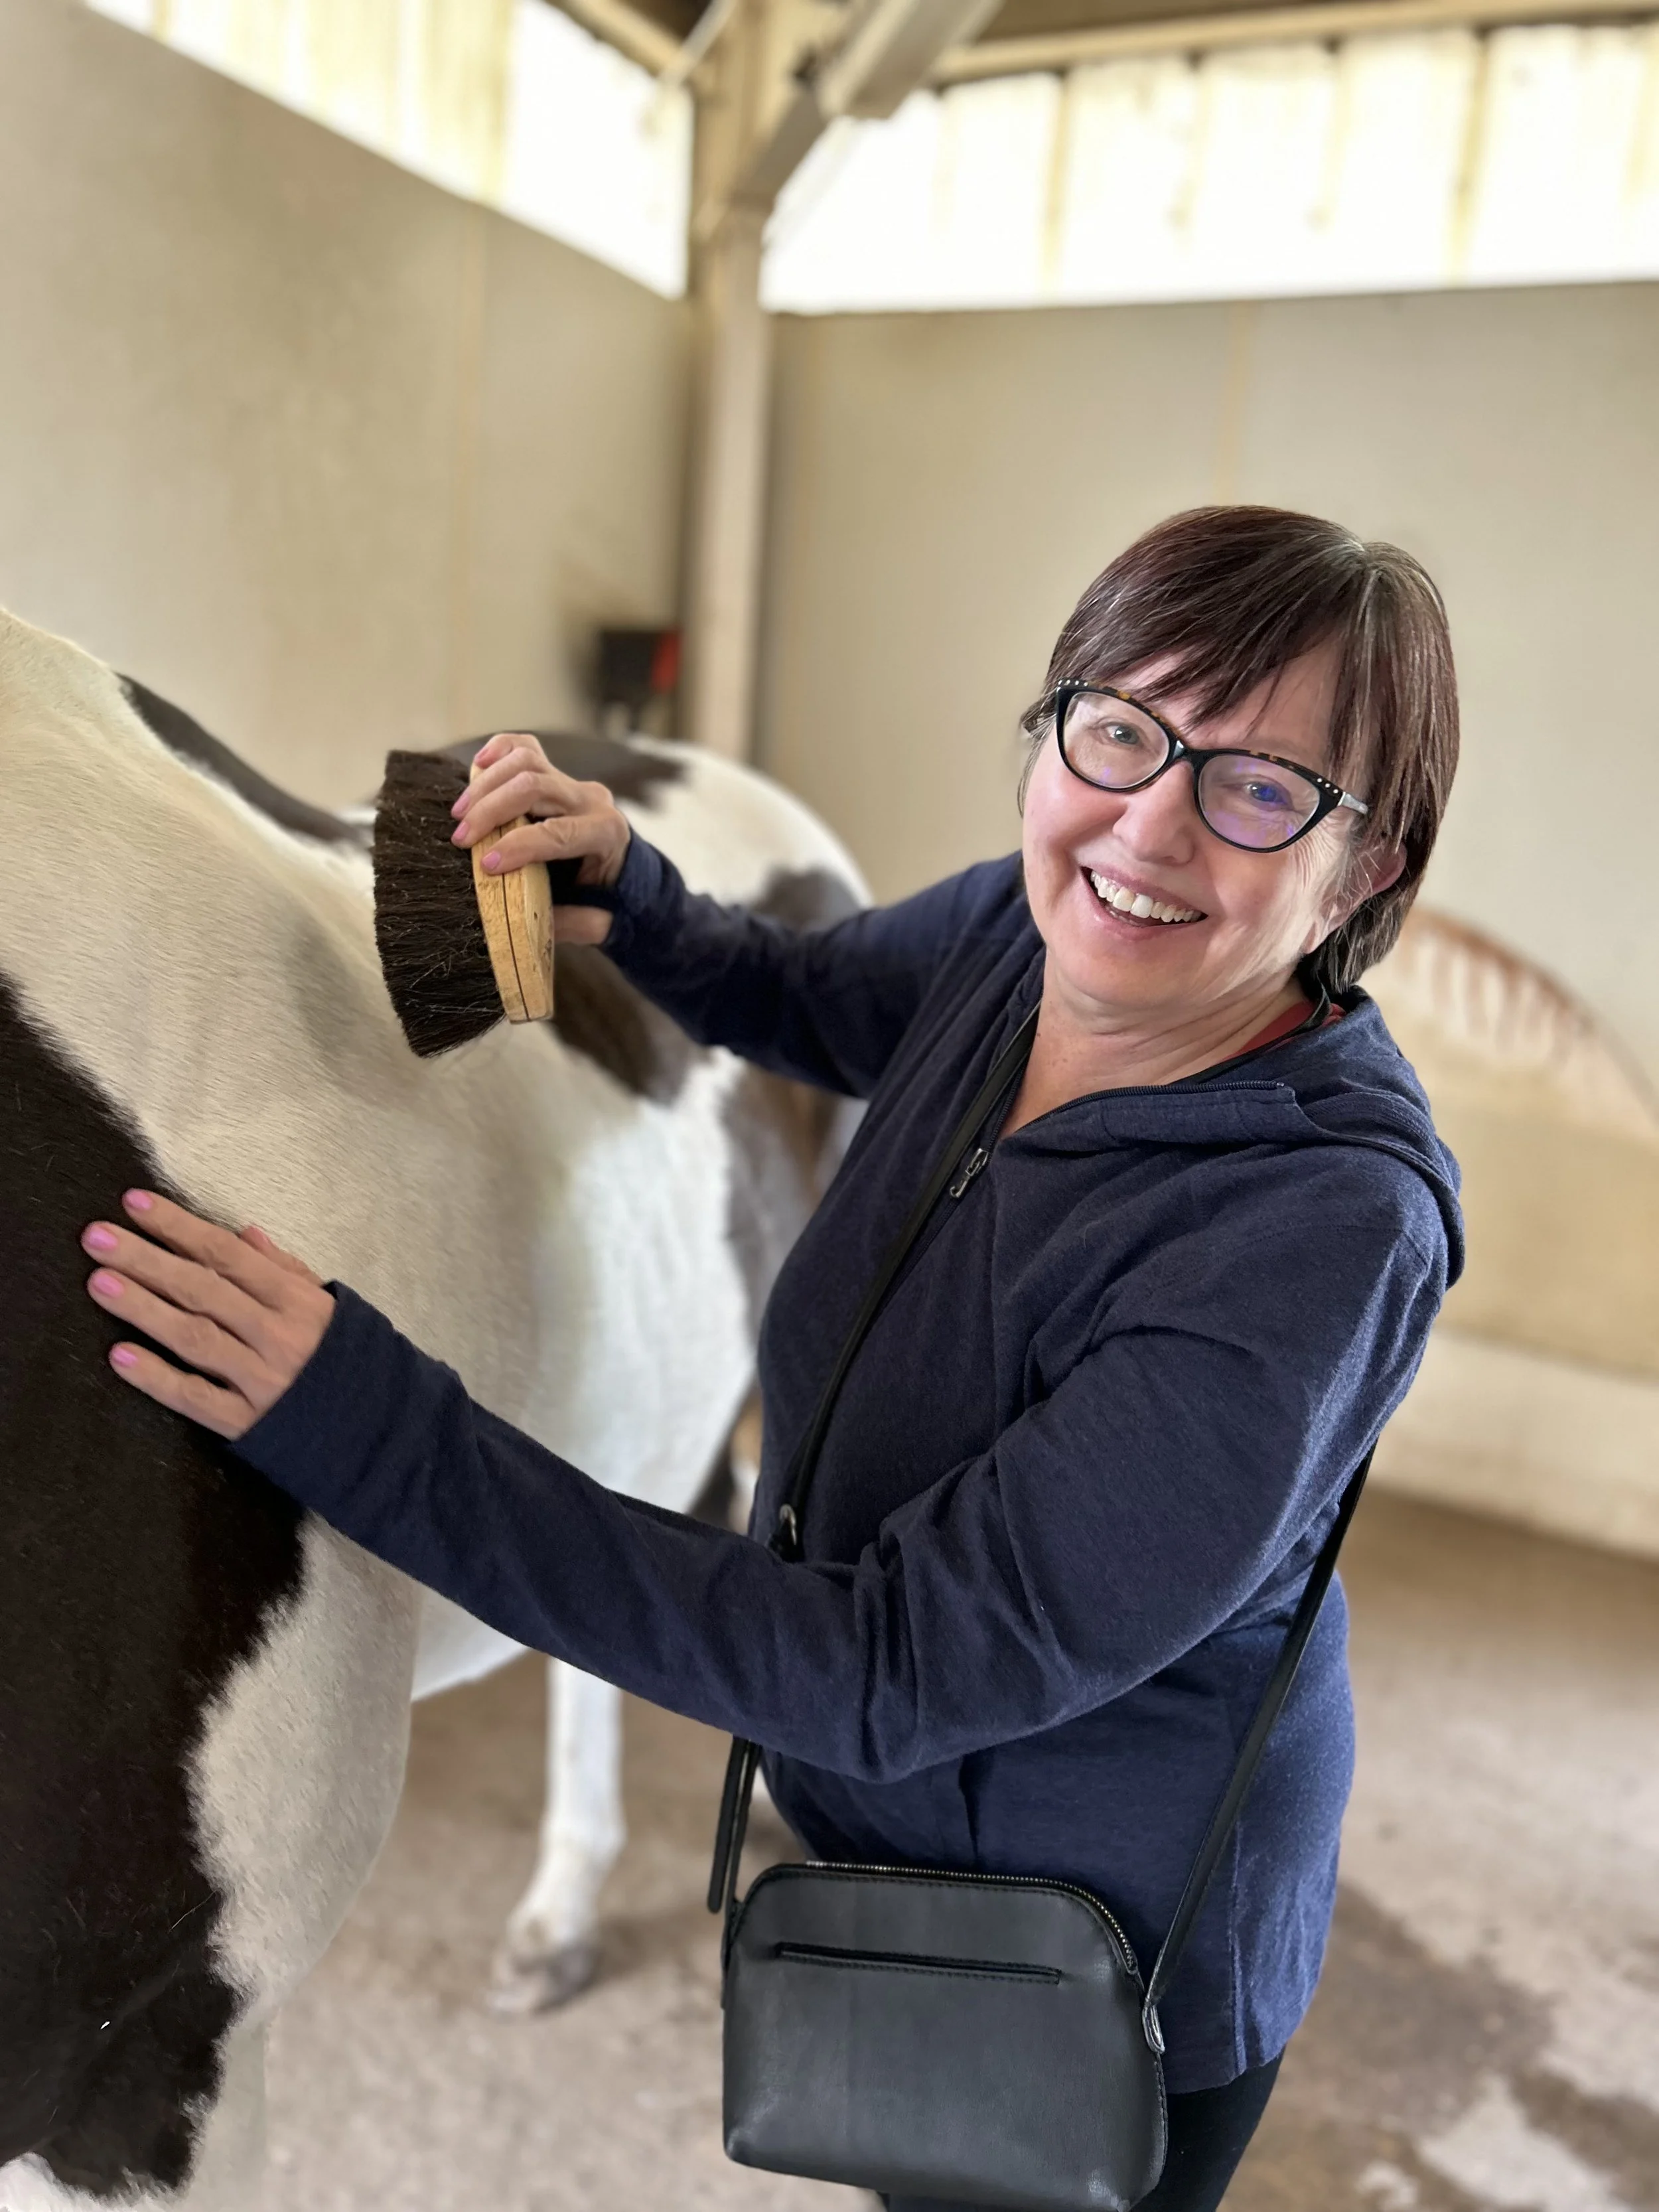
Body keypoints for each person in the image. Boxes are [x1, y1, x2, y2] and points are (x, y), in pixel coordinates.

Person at [81, 505, 1463, 2212]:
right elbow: (813, 999)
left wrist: (372, 1426)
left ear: (1367, 865)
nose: (1147, 824)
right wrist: (633, 902)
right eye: (1117, 728)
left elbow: (885, 1664)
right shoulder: (1026, 945)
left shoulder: (1311, 1230)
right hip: (904, 1839)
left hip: (1087, 1949)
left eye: (1258, 786)